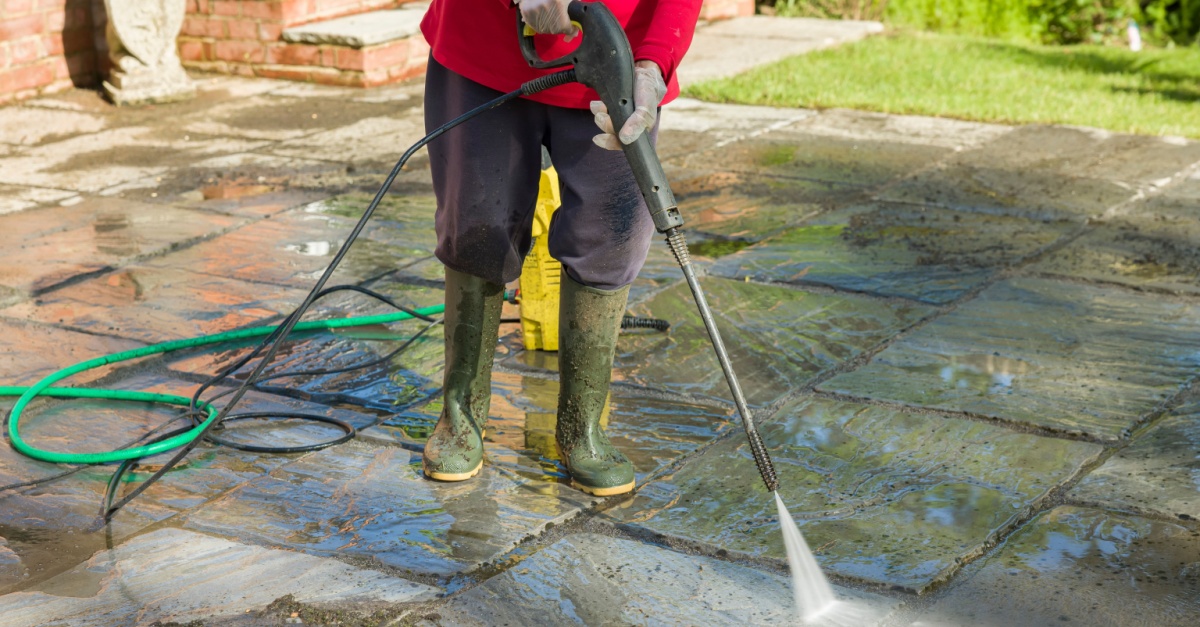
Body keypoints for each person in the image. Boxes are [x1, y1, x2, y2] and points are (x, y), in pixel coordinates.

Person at [418, 0, 703, 496]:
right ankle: (460, 415)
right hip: (484, 44)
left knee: (610, 239)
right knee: (477, 227)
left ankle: (581, 430)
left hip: (616, 52)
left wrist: (654, 60)